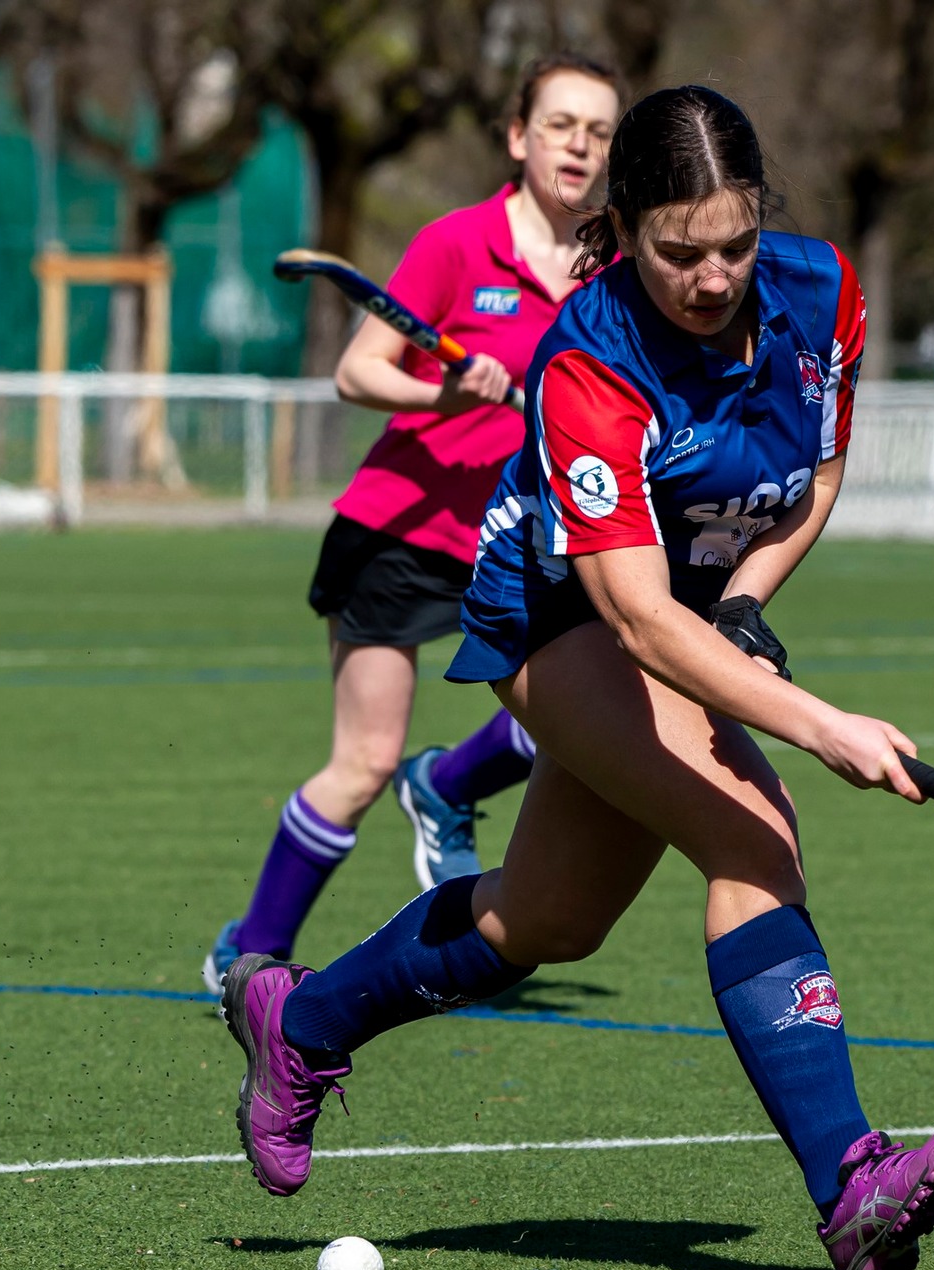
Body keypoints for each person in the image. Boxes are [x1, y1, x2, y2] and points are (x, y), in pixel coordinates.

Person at [219, 85, 934, 1270]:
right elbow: (630, 614)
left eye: (734, 243)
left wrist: (746, 603)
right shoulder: (589, 357)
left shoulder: (819, 289)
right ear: (622, 227)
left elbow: (815, 479)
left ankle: (296, 1024)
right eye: (679, 252)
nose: (713, 276)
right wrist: (817, 723)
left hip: (689, 611)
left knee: (546, 922)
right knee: (752, 830)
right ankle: (851, 1185)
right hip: (558, 612)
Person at [202, 54, 623, 996]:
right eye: (561, 125)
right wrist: (446, 387)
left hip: (521, 539)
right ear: (519, 137)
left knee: (596, 717)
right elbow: (359, 374)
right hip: (404, 530)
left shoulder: (616, 266)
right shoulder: (457, 244)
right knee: (362, 761)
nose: (579, 147)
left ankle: (449, 786)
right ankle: (249, 951)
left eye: (597, 132)